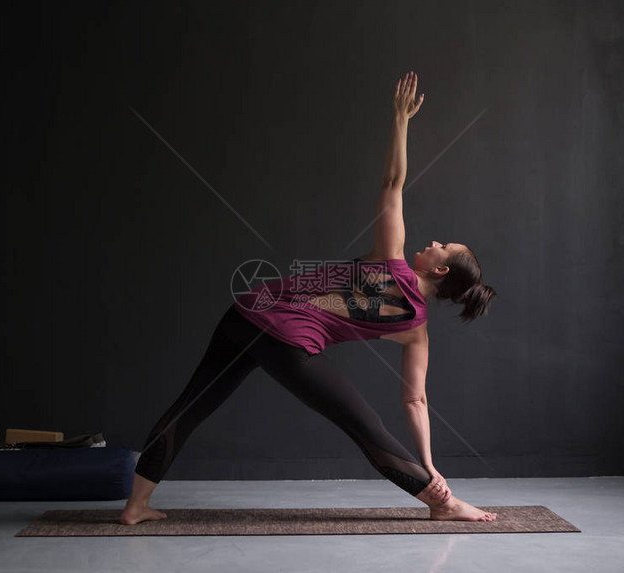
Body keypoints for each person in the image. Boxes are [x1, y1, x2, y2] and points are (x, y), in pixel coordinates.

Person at [120, 71, 498, 525]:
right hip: (285, 343)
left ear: (439, 269)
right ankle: (444, 503)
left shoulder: (392, 258)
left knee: (192, 404)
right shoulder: (415, 331)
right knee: (365, 429)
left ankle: (135, 506)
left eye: (444, 247)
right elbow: (415, 402)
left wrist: (400, 120)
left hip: (245, 313)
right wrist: (431, 464)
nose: (435, 240)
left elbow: (392, 183)